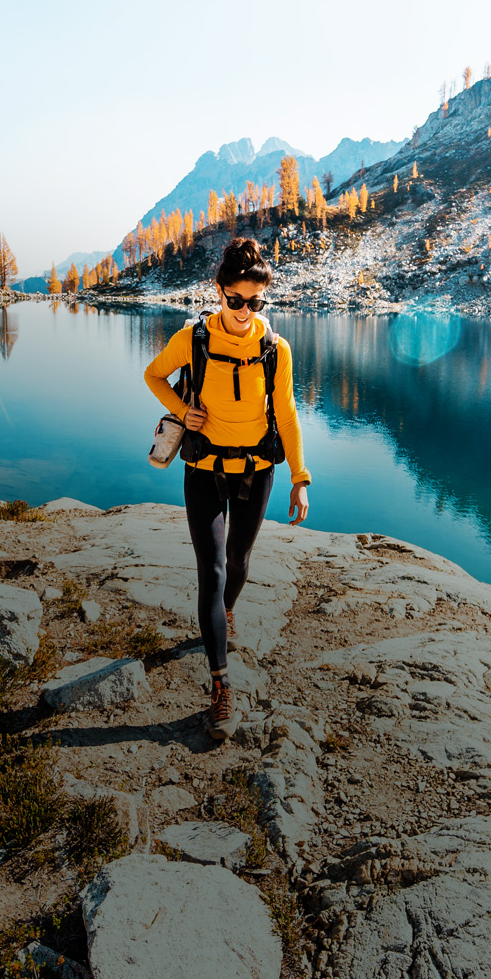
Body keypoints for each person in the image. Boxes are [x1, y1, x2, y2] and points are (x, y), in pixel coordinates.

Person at [145, 237, 311, 740]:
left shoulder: (274, 349)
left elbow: (286, 413)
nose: (243, 311)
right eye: (235, 300)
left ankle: (225, 616)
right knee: (212, 570)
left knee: (239, 564)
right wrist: (182, 409)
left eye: (254, 302)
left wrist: (300, 478)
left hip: (258, 469)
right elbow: (154, 375)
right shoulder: (194, 339)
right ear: (219, 292)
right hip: (205, 469)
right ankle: (220, 685)